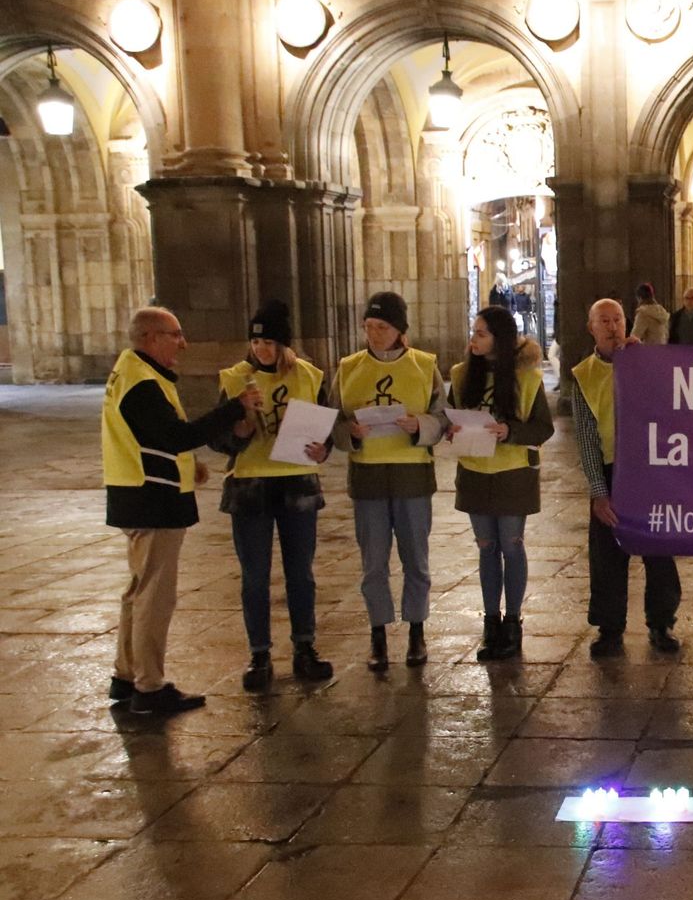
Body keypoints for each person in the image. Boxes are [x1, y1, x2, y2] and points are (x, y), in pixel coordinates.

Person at [103, 307, 258, 715]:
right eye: (175, 335)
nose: (183, 343)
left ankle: (126, 675)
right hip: (152, 500)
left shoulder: (135, 373)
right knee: (155, 598)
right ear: (151, 337)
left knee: (138, 592)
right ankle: (149, 688)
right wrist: (234, 408)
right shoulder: (141, 382)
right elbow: (175, 436)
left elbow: (150, 439)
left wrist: (190, 467)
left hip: (140, 493)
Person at [213, 300, 334, 692]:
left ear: (283, 344)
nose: (260, 348)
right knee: (255, 575)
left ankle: (305, 647)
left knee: (300, 572)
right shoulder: (236, 379)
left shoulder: (309, 376)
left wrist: (323, 449)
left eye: (267, 342)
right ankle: (260, 654)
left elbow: (325, 428)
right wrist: (240, 431)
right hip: (251, 485)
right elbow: (219, 437)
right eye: (255, 341)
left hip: (297, 482)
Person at [329, 291, 447, 672]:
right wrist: (350, 432)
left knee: (416, 559)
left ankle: (416, 631)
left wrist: (420, 426)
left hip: (412, 477)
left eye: (382, 327)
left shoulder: (424, 366)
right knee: (373, 563)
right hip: (368, 478)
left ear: (399, 330)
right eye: (369, 326)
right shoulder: (348, 368)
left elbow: (442, 417)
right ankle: (378, 634)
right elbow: (332, 420)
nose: (374, 334)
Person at [571, 298, 682, 658]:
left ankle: (661, 622)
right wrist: (598, 490)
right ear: (591, 328)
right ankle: (609, 628)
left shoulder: (645, 363)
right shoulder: (584, 375)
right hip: (611, 469)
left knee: (659, 550)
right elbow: (587, 437)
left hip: (649, 471)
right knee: (607, 555)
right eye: (604, 321)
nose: (612, 326)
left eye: (617, 319)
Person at [447, 306, 555, 661]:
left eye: (481, 334)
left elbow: (543, 427)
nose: (473, 340)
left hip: (513, 474)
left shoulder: (527, 378)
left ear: (500, 339)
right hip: (475, 472)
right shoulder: (462, 375)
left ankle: (513, 623)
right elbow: (449, 418)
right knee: (486, 547)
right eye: (473, 332)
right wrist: (451, 429)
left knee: (512, 545)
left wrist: (510, 431)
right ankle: (490, 622)